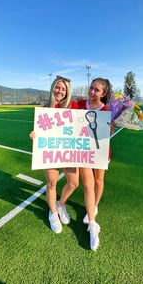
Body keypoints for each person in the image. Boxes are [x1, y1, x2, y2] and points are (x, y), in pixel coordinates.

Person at [30, 76, 79, 234]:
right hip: (50, 152)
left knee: (73, 183)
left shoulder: (73, 106)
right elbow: (39, 132)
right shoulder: (44, 108)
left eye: (63, 89)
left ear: (67, 92)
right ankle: (53, 212)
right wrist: (34, 135)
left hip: (68, 151)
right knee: (51, 183)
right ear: (52, 88)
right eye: (57, 87)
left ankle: (61, 204)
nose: (60, 91)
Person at [77, 77, 112, 250]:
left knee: (98, 181)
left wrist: (111, 127)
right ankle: (92, 222)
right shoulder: (79, 104)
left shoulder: (107, 110)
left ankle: (95, 205)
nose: (92, 91)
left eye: (96, 90)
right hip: (83, 150)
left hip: (101, 151)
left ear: (103, 93)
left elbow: (106, 133)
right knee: (88, 183)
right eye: (91, 88)